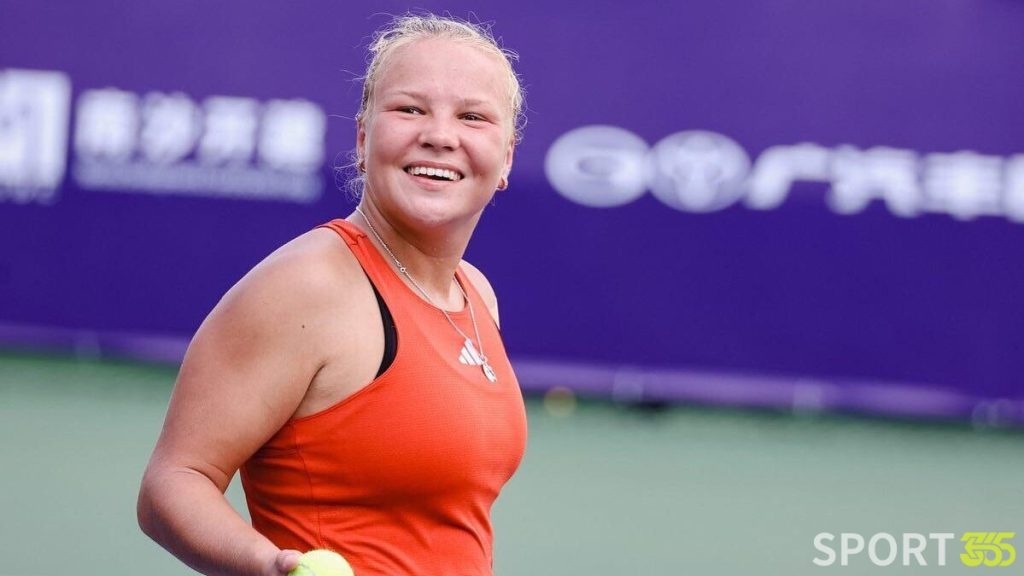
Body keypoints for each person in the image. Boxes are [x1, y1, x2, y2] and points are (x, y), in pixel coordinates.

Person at [137, 14, 528, 576]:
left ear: (507, 157)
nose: (440, 136)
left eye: (472, 117)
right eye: (410, 109)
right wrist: (270, 565)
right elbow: (173, 483)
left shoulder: (476, 294)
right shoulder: (306, 287)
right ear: (363, 138)